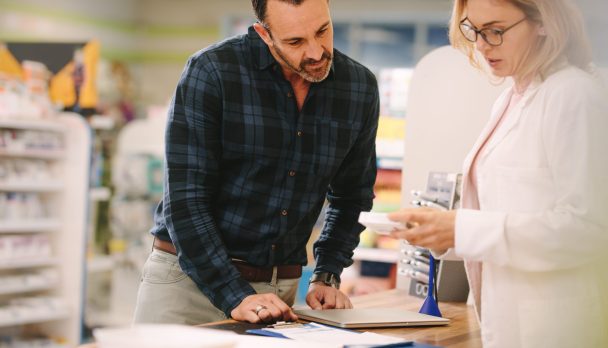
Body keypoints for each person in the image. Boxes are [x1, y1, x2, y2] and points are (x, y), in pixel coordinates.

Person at [133, 0, 379, 325]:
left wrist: (327, 273)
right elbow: (186, 201)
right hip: (187, 285)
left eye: (323, 31)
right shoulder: (212, 72)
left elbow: (351, 197)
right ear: (264, 34)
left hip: (278, 293)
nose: (317, 52)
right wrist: (235, 294)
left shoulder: (358, 88)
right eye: (295, 42)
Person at [388, 0, 608, 347]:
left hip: (558, 327)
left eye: (495, 31)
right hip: (508, 322)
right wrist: (443, 231)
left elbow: (590, 229)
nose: (481, 45)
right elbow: (506, 217)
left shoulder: (573, 95)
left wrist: (461, 228)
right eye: (474, 30)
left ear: (543, 22)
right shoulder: (511, 98)